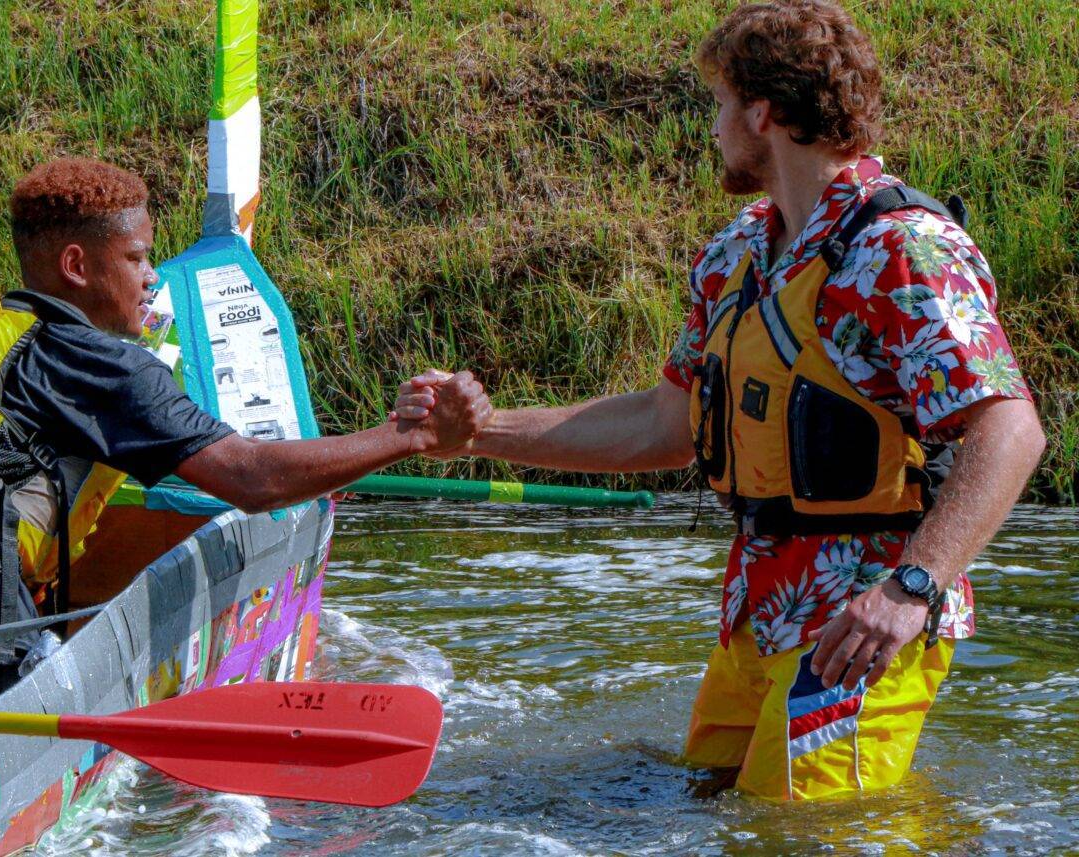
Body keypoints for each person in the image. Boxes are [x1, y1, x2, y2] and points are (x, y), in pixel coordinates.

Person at [394, 0, 1045, 801]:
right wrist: (478, 434)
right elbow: (662, 426)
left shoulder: (904, 249)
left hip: (860, 624)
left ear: (762, 113)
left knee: (805, 840)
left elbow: (1010, 430)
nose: (713, 127)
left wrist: (911, 589)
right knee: (708, 808)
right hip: (757, 609)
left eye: (719, 104)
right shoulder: (735, 250)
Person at [0, 157, 491, 703]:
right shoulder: (101, 365)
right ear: (76, 266)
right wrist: (415, 438)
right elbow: (251, 478)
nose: (153, 277)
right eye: (138, 257)